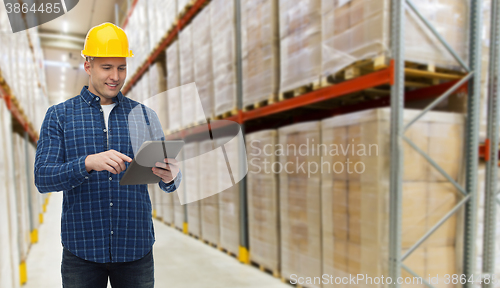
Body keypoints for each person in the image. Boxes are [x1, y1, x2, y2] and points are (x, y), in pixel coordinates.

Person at [34, 22, 181, 288]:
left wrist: (171, 176)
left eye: (121, 67)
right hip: (82, 251)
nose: (115, 76)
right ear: (88, 66)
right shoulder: (60, 116)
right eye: (107, 67)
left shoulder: (145, 117)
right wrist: (87, 163)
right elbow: (43, 177)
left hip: (135, 248)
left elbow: (166, 181)